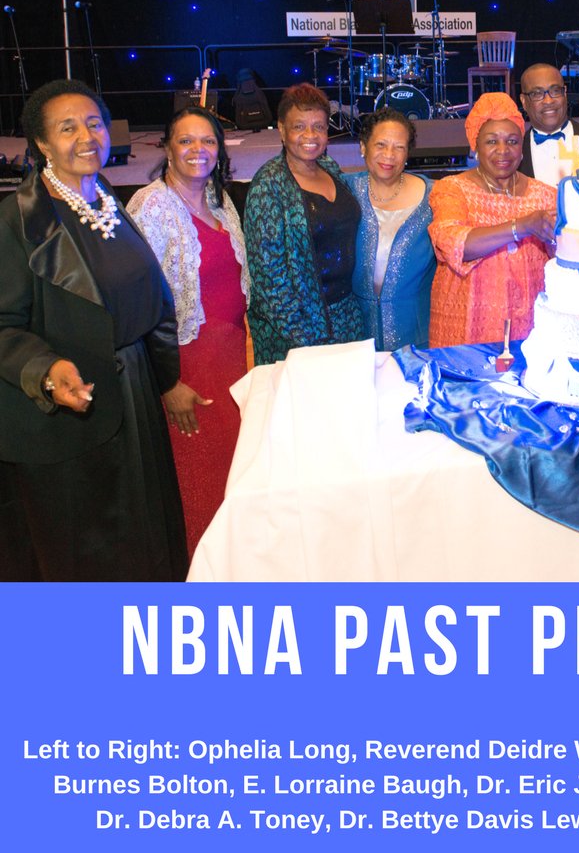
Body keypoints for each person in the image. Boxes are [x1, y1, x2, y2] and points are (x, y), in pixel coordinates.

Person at [0, 79, 199, 580]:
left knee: (144, 544)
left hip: (132, 395)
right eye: (67, 128)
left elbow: (148, 300)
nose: (86, 137)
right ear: (42, 143)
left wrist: (165, 379)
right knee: (86, 556)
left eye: (94, 124)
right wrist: (46, 370)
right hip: (65, 414)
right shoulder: (16, 221)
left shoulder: (106, 198)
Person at [127, 106, 248, 556]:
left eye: (208, 140)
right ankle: (202, 577)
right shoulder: (152, 206)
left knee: (231, 476)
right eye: (186, 140)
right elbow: (136, 304)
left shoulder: (220, 201)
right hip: (187, 368)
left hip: (230, 359)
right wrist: (167, 383)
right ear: (167, 148)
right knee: (199, 481)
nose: (199, 150)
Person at [244, 83, 365, 365]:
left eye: (318, 127)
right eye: (299, 126)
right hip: (297, 333)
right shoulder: (268, 185)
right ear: (282, 129)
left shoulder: (330, 168)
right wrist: (308, 340)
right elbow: (270, 283)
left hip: (347, 317)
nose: (310, 136)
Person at [428, 91, 557, 347]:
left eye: (512, 141)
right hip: (465, 328)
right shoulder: (453, 189)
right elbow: (455, 244)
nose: (503, 150)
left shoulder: (545, 195)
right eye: (491, 141)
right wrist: (522, 226)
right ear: (475, 145)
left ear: (521, 148)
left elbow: (564, 255)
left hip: (531, 327)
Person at [350, 108, 435, 350]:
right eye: (381, 145)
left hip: (416, 339)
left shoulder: (434, 197)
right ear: (363, 146)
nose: (389, 155)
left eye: (399, 147)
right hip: (355, 339)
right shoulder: (343, 192)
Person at [518, 63, 579, 185]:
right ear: (524, 101)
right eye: (537, 93)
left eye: (555, 91)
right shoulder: (515, 151)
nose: (548, 101)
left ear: (565, 93)